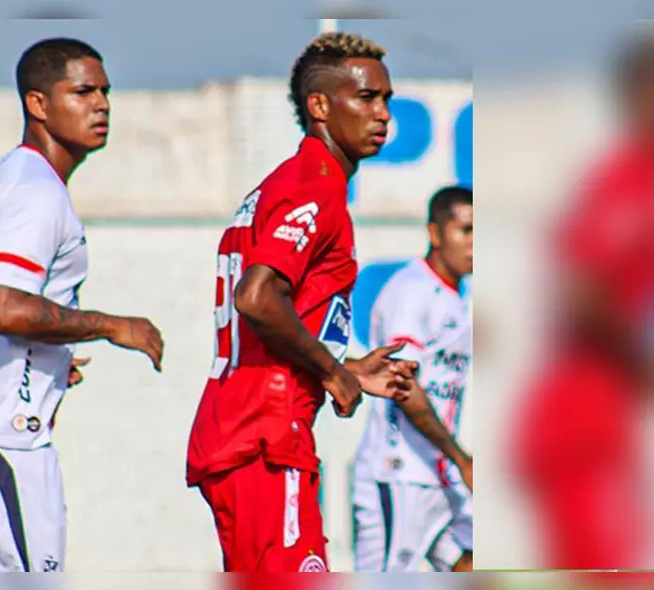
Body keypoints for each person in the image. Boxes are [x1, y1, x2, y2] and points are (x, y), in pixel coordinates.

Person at [0, 37, 163, 573]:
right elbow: (3, 309)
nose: (102, 104)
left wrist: (36, 356)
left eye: (106, 92)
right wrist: (111, 326)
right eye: (84, 91)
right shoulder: (37, 192)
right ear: (38, 104)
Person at [185, 32, 419, 573]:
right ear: (320, 106)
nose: (382, 113)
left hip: (240, 429)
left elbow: (278, 309)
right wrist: (333, 371)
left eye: (385, 98)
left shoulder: (284, 183)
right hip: (266, 436)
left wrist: (350, 369)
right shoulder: (317, 185)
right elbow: (257, 296)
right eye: (366, 98)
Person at [510, 32, 654, 571]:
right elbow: (582, 297)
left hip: (607, 428)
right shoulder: (624, 182)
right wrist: (641, 361)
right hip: (578, 427)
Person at [351, 186, 474, 573]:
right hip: (399, 474)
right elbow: (403, 387)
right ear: (435, 234)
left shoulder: (457, 299)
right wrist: (461, 458)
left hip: (438, 476)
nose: (475, 244)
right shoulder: (411, 293)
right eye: (466, 231)